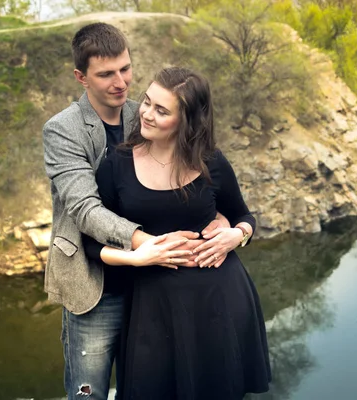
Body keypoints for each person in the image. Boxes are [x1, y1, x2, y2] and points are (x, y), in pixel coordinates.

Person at [42, 23, 231, 400]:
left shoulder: (146, 114)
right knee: (89, 392)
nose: (121, 82)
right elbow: (84, 209)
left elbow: (188, 173)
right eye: (106, 74)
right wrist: (147, 242)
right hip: (97, 282)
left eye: (125, 69)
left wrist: (223, 221)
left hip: (155, 288)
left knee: (149, 388)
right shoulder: (62, 130)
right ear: (81, 77)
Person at [83, 66, 272, 399]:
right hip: (154, 310)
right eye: (147, 102)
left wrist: (237, 235)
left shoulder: (212, 162)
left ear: (186, 121)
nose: (147, 114)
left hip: (219, 302)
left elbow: (244, 215)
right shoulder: (117, 164)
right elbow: (89, 241)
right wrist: (137, 258)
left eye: (162, 110)